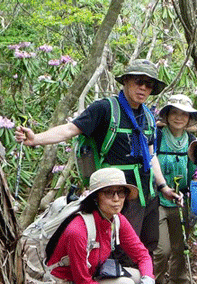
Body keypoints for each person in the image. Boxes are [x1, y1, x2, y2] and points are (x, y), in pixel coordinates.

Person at [15, 59, 180, 265]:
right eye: (139, 81)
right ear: (126, 81)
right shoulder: (105, 109)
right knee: (122, 250)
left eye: (149, 84)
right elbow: (70, 129)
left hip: (147, 193)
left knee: (148, 245)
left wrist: (162, 186)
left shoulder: (147, 115)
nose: (144, 88)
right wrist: (35, 139)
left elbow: (150, 154)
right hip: (119, 194)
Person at [42, 168, 155, 284]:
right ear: (96, 197)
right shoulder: (78, 229)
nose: (116, 199)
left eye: (121, 193)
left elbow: (142, 255)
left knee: (138, 276)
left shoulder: (115, 219)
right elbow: (82, 281)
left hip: (86, 281)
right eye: (109, 193)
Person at [153, 94, 197, 284]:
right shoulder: (157, 136)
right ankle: (154, 283)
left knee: (181, 248)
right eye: (175, 112)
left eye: (184, 114)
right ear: (167, 115)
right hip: (159, 199)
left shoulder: (192, 142)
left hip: (183, 200)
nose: (179, 117)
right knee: (162, 249)